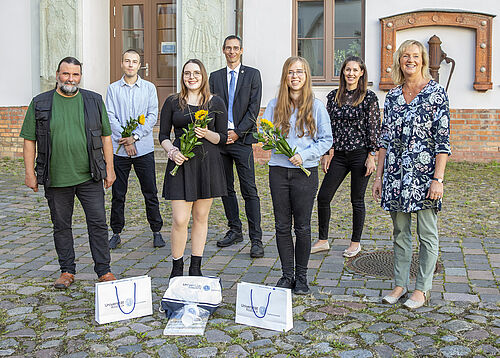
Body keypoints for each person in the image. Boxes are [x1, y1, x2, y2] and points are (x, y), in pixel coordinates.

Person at [20, 57, 117, 289]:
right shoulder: (41, 102)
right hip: (56, 177)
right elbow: (29, 140)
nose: (70, 79)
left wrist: (110, 169)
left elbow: (106, 137)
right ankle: (67, 270)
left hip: (89, 175)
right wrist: (29, 173)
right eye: (66, 74)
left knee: (98, 223)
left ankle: (103, 270)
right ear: (57, 75)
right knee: (61, 225)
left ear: (80, 76)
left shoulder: (93, 101)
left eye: (75, 75)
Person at [372, 40, 451, 309]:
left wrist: (438, 179)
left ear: (423, 61)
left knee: (427, 233)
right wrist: (379, 176)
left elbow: (443, 141)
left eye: (415, 56)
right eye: (405, 56)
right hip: (396, 175)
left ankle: (423, 288)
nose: (410, 60)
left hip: (425, 177)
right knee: (400, 231)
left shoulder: (436, 94)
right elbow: (384, 139)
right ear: (399, 61)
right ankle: (400, 283)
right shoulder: (393, 96)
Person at [263, 57, 333, 294]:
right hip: (279, 171)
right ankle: (286, 275)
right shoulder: (274, 105)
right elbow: (265, 134)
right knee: (282, 226)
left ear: (306, 76)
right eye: (291, 72)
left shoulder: (316, 106)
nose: (295, 76)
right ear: (286, 76)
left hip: (305, 172)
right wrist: (269, 139)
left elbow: (326, 140)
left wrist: (304, 155)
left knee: (302, 227)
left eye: (300, 72)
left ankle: (301, 277)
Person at [159, 59, 228, 278]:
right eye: (187, 73)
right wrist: (171, 151)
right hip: (180, 163)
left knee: (200, 217)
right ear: (182, 77)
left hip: (207, 164)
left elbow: (223, 138)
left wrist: (206, 133)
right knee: (180, 219)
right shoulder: (172, 102)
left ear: (203, 76)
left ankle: (195, 267)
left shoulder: (215, 102)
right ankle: (177, 266)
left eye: (196, 73)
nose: (192, 77)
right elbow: (163, 135)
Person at [312, 56, 380, 257]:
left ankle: (355, 243)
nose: (350, 73)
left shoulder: (369, 97)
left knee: (356, 200)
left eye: (355, 70)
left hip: (360, 155)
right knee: (324, 196)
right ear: (343, 73)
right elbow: (327, 127)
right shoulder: (334, 97)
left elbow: (374, 128)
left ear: (361, 73)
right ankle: (323, 239)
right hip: (339, 155)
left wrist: (372, 155)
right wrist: (327, 152)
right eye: (347, 70)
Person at [209, 35, 264, 258]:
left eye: (236, 48)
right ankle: (235, 229)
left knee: (249, 189)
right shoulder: (215, 77)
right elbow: (210, 106)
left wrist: (238, 132)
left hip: (242, 140)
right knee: (226, 188)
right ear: (223, 50)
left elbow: (254, 108)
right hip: (221, 141)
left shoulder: (252, 75)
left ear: (242, 50)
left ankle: (256, 239)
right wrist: (222, 134)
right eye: (228, 48)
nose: (232, 52)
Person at [106, 49, 164, 249]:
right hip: (120, 150)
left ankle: (156, 230)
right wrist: (126, 140)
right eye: (127, 61)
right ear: (122, 63)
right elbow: (110, 116)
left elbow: (152, 115)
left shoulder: (149, 88)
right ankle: (116, 232)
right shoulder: (113, 89)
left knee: (150, 191)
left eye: (134, 62)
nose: (130, 65)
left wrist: (135, 137)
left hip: (144, 149)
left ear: (140, 66)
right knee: (118, 193)